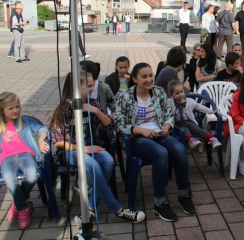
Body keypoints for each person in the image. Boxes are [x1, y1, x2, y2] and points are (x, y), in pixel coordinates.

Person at [51, 72, 145, 223]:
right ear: (75, 87)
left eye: (92, 85)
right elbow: (58, 142)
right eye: (88, 86)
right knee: (93, 165)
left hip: (90, 145)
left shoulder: (93, 102)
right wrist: (83, 149)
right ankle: (118, 210)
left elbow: (109, 124)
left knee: (108, 161)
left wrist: (96, 111)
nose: (91, 89)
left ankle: (89, 208)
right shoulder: (64, 110)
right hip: (70, 150)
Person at [114, 63, 195, 222]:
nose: (149, 79)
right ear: (135, 79)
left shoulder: (158, 92)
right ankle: (160, 202)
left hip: (159, 132)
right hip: (137, 138)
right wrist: (140, 130)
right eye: (144, 76)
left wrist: (167, 126)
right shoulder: (125, 96)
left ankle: (183, 194)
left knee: (179, 149)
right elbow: (117, 123)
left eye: (151, 75)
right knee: (161, 153)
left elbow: (169, 115)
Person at [0, 92, 48, 229]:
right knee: (9, 178)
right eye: (10, 108)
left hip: (26, 155)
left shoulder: (25, 121)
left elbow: (41, 128)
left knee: (32, 176)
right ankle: (23, 209)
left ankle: (17, 204)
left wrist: (40, 139)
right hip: (7, 158)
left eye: (17, 107)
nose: (15, 110)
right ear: (2, 110)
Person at [167, 80, 221, 151]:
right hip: (177, 125)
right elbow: (164, 108)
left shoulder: (190, 101)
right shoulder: (169, 102)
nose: (180, 94)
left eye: (181, 91)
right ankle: (191, 141)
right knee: (185, 131)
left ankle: (212, 139)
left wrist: (211, 111)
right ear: (171, 95)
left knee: (198, 129)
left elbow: (199, 107)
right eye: (177, 93)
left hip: (189, 122)